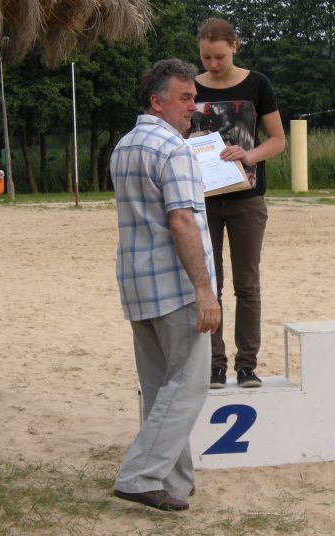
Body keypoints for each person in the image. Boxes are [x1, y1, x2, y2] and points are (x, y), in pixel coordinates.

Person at [110, 59, 220, 512]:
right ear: (157, 102)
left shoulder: (124, 146)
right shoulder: (175, 150)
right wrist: (205, 290)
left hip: (137, 282)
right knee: (190, 384)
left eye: (193, 98)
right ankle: (140, 476)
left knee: (159, 389)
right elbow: (182, 221)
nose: (193, 107)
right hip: (175, 286)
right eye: (185, 98)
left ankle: (174, 482)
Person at [193, 18, 286, 390]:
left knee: (247, 285)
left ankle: (247, 365)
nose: (213, 64)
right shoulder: (191, 87)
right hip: (203, 202)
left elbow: (277, 140)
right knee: (208, 285)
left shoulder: (257, 84)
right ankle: (214, 365)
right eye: (206, 57)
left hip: (247, 200)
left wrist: (248, 156)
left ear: (235, 45)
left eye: (219, 56)